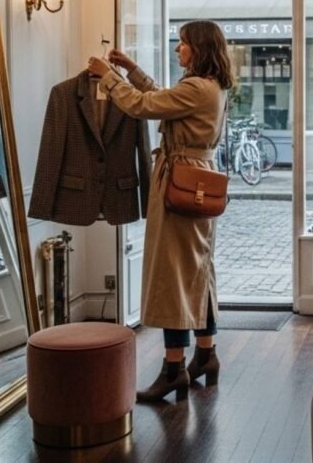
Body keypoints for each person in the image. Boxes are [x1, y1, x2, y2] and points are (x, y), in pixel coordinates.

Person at [87, 21, 233, 401]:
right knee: (197, 272)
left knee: (175, 276)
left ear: (199, 48)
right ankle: (205, 355)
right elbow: (164, 98)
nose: (178, 49)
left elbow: (144, 105)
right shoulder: (209, 87)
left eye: (183, 44)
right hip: (197, 179)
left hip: (180, 182)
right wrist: (131, 70)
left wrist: (109, 78)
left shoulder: (197, 88)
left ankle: (173, 370)